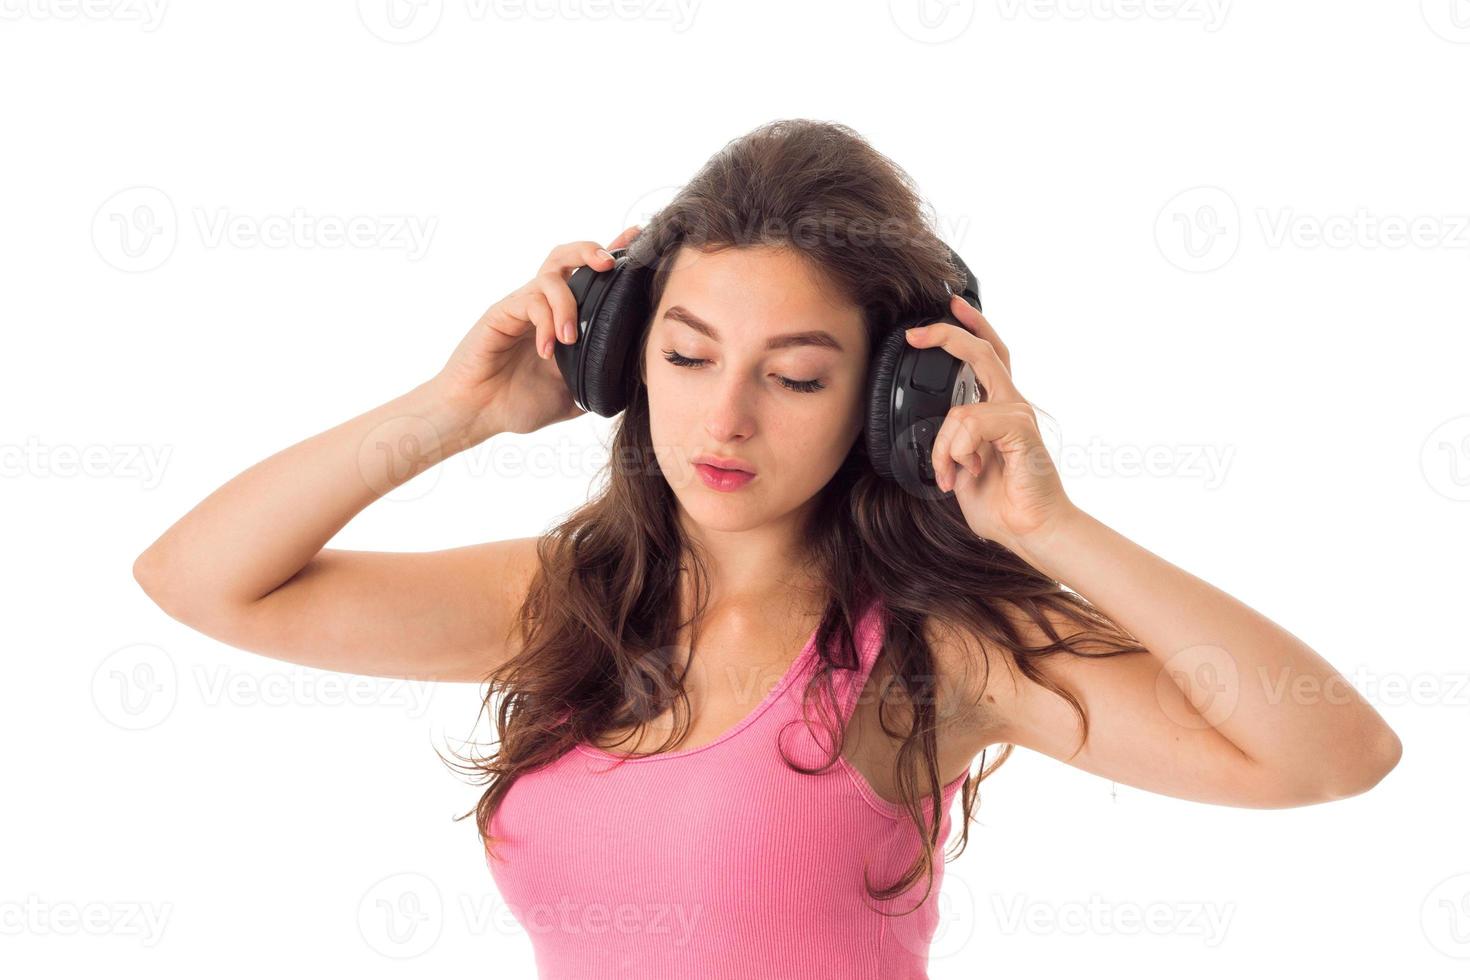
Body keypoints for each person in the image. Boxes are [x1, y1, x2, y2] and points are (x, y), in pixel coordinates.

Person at [132, 119, 1401, 978]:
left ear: (891, 396)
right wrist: (451, 410)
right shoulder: (560, 601)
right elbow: (198, 579)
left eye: (794, 376)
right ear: (621, 355)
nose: (724, 417)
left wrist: (1047, 525)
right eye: (686, 356)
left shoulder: (937, 650)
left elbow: (1332, 754)